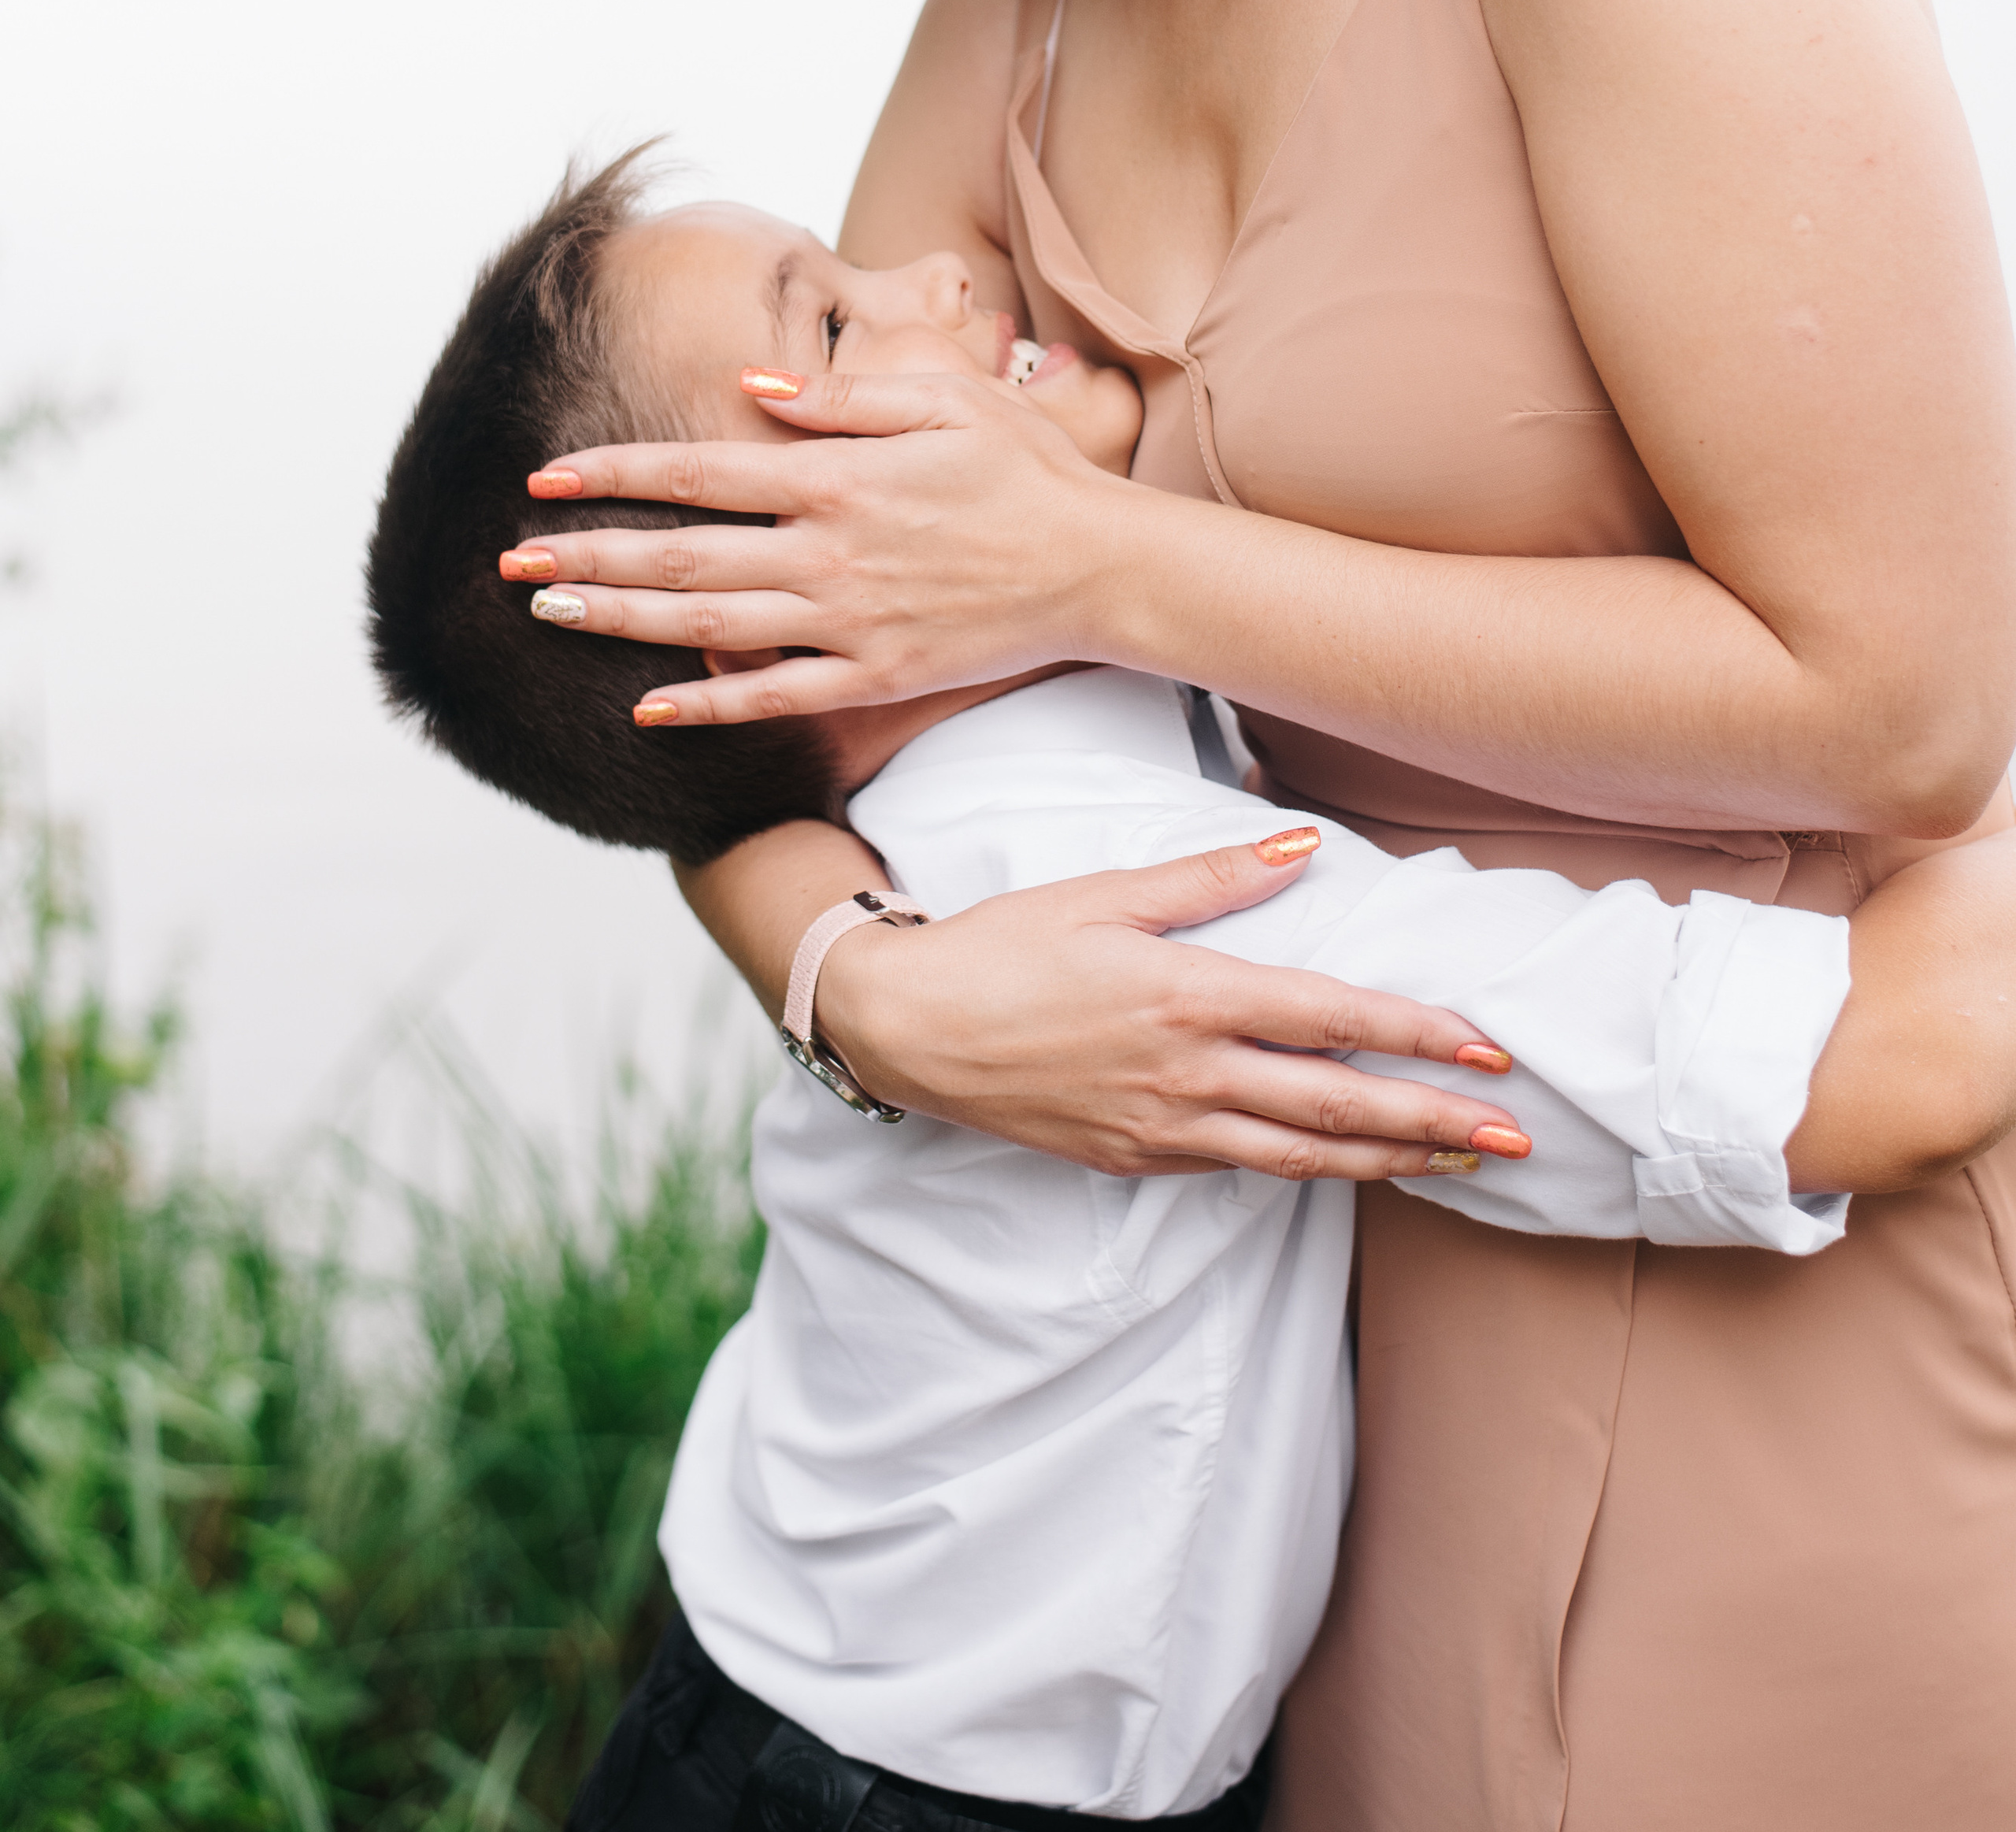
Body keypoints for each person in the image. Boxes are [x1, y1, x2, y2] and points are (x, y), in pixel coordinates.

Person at [515, 0, 2016, 1829]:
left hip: (1779, 1229)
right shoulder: (1012, 8)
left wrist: (1105, 564)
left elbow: (1908, 698)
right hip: (1283, 1395)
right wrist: (873, 998)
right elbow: (729, 681)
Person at [368, 158, 1935, 1829]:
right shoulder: (1117, 886)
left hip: (787, 1704)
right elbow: (1879, 1072)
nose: (940, 279)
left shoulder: (946, 789)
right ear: (748, 625)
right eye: (827, 322)